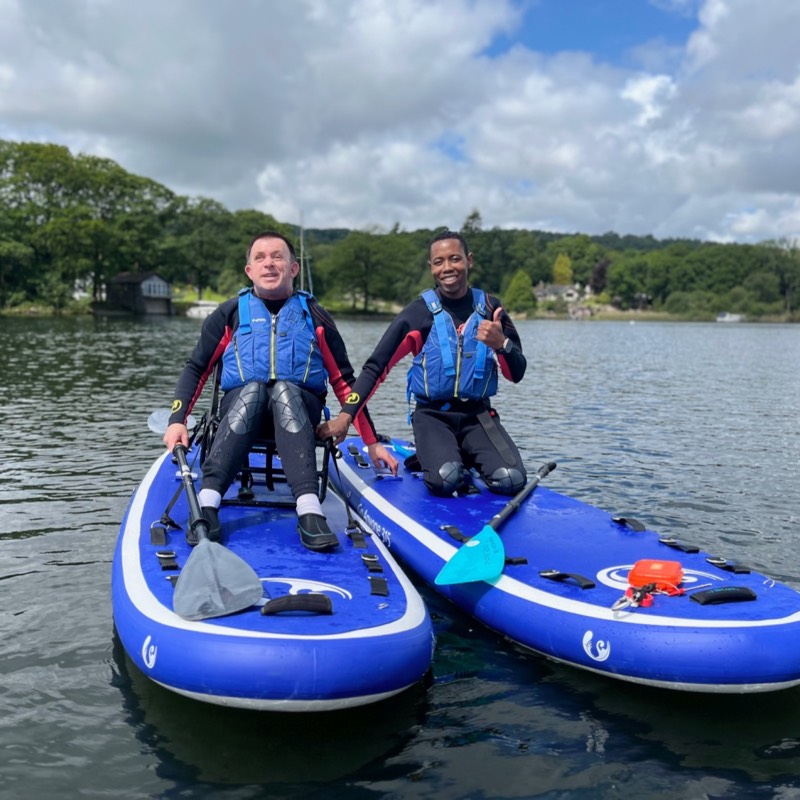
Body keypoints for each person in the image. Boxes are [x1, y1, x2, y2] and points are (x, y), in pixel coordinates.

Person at [163, 230, 397, 551]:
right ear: (249, 270)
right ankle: (207, 503)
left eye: (278, 257)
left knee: (284, 389)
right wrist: (177, 420)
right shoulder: (229, 314)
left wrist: (371, 443)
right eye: (260, 258)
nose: (269, 263)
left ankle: (309, 509)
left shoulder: (315, 316)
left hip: (299, 414)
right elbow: (196, 368)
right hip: (241, 413)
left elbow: (344, 381)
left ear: (293, 268)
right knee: (254, 389)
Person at [318, 229, 527, 497]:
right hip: (432, 417)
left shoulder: (490, 309)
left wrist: (501, 344)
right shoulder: (417, 313)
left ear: (469, 260)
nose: (447, 267)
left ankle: (460, 454)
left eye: (455, 259)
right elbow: (375, 368)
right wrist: (346, 416)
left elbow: (517, 373)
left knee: (511, 480)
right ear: (431, 267)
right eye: (439, 262)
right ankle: (437, 456)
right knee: (446, 480)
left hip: (478, 415)